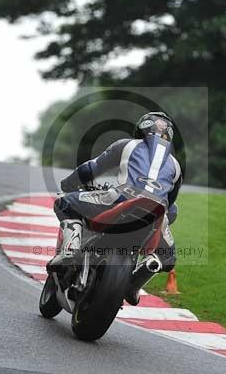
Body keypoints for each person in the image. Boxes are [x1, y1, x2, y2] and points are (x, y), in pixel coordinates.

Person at [46, 111, 182, 305]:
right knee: (168, 259)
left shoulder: (126, 144)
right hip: (156, 212)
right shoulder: (176, 167)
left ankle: (70, 249)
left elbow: (90, 169)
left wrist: (69, 183)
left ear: (141, 128)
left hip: (120, 197)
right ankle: (136, 283)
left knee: (64, 202)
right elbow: (171, 207)